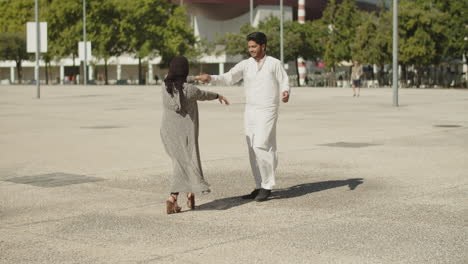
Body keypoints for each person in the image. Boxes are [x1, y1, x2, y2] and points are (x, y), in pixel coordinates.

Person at [195, 32, 290, 202]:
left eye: (254, 46)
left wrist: (285, 91)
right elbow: (229, 77)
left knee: (261, 145)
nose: (251, 50)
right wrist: (211, 78)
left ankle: (267, 186)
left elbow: (284, 80)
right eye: (249, 47)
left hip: (268, 109)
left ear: (263, 46)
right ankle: (259, 185)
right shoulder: (246, 65)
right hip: (250, 111)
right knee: (252, 148)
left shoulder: (274, 63)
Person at [160, 56, 229, 214]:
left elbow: (181, 79)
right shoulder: (190, 90)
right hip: (186, 133)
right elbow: (204, 95)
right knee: (185, 163)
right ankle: (173, 198)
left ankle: (190, 194)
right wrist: (218, 95)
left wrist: (197, 77)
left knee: (181, 162)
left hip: (168, 132)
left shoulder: (165, 84)